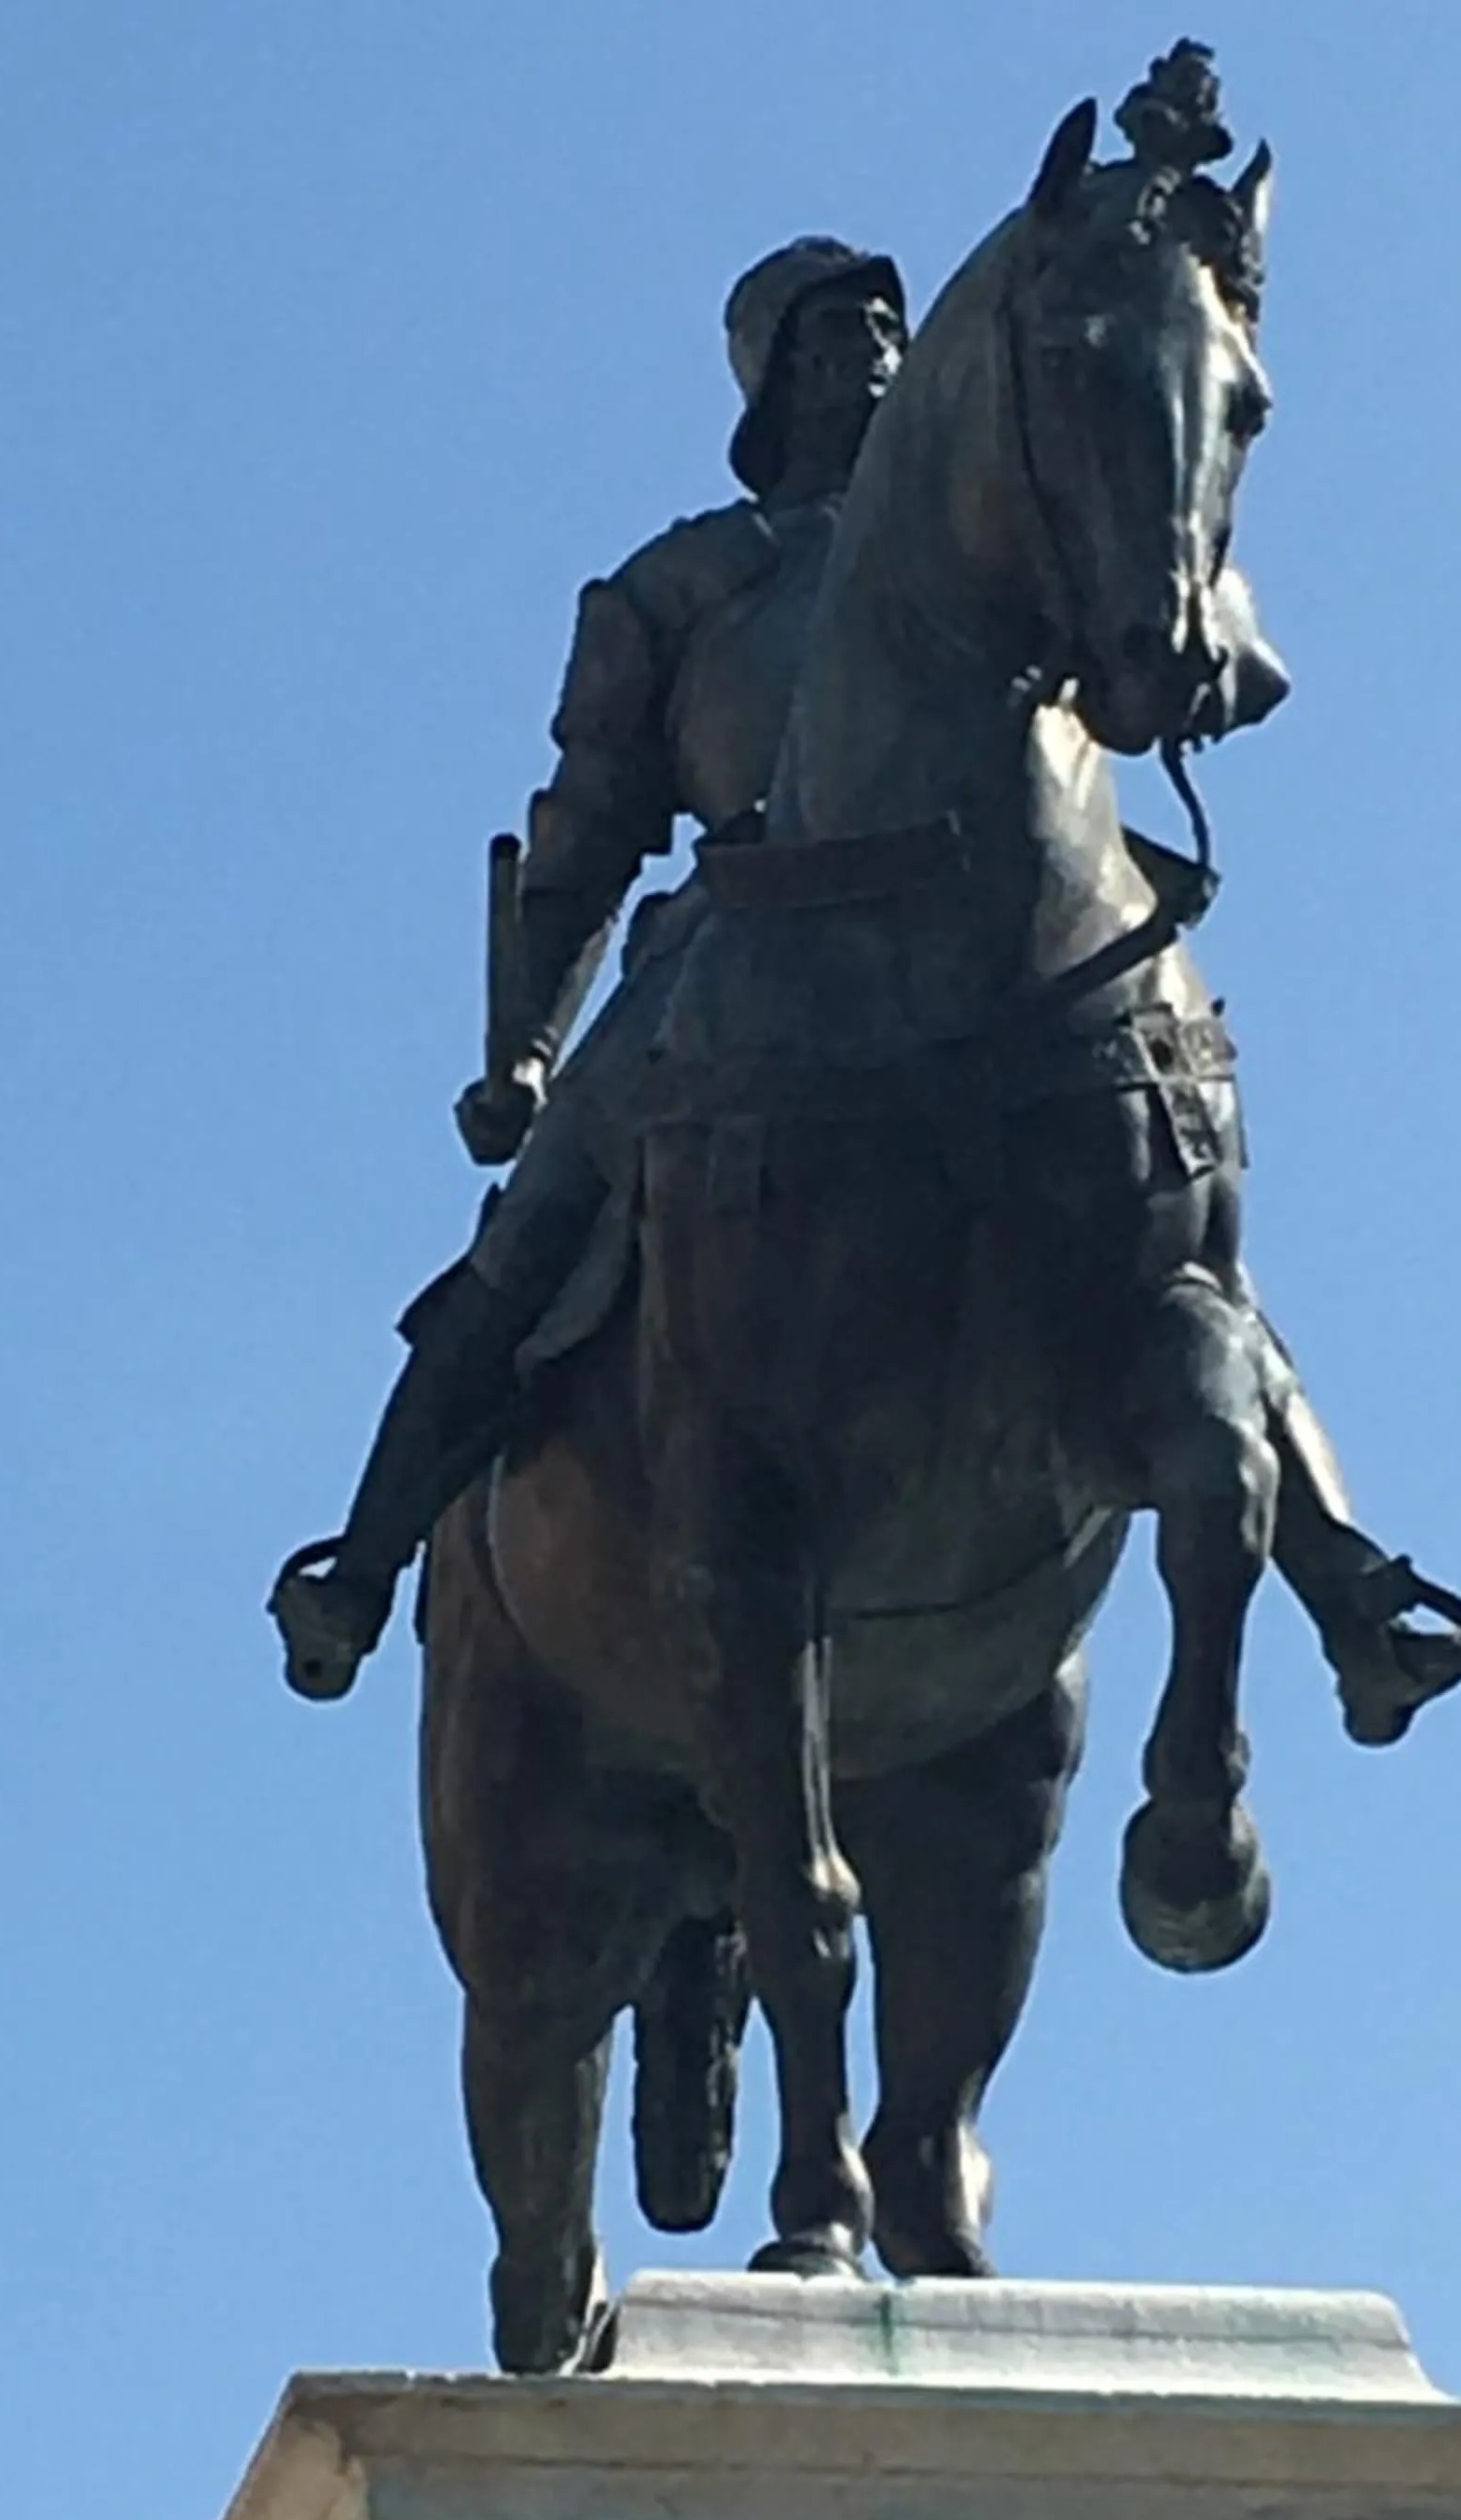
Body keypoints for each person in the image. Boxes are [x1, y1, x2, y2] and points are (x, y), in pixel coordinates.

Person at [271, 239, 911, 1698]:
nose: (873, 347)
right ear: (777, 380)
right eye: (834, 332)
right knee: (542, 1223)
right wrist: (525, 1047)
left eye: (888, 322)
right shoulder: (681, 583)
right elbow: (590, 828)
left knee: (1151, 1159)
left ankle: (1313, 1538)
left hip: (954, 916)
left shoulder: (983, 558)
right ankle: (364, 1564)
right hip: (743, 933)